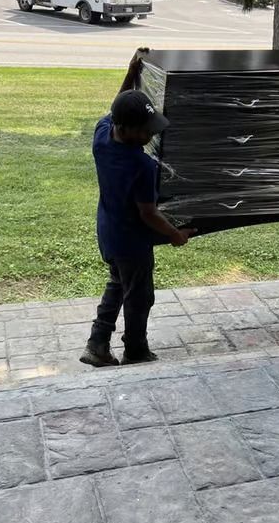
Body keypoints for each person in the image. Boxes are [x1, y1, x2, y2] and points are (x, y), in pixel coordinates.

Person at [80, 50, 195, 368]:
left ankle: (97, 343)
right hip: (132, 242)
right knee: (139, 296)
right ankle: (135, 349)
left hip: (109, 233)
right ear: (129, 129)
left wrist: (131, 72)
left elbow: (115, 105)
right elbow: (148, 213)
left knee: (118, 284)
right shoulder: (142, 165)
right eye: (146, 129)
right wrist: (176, 235)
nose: (152, 134)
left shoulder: (102, 138)